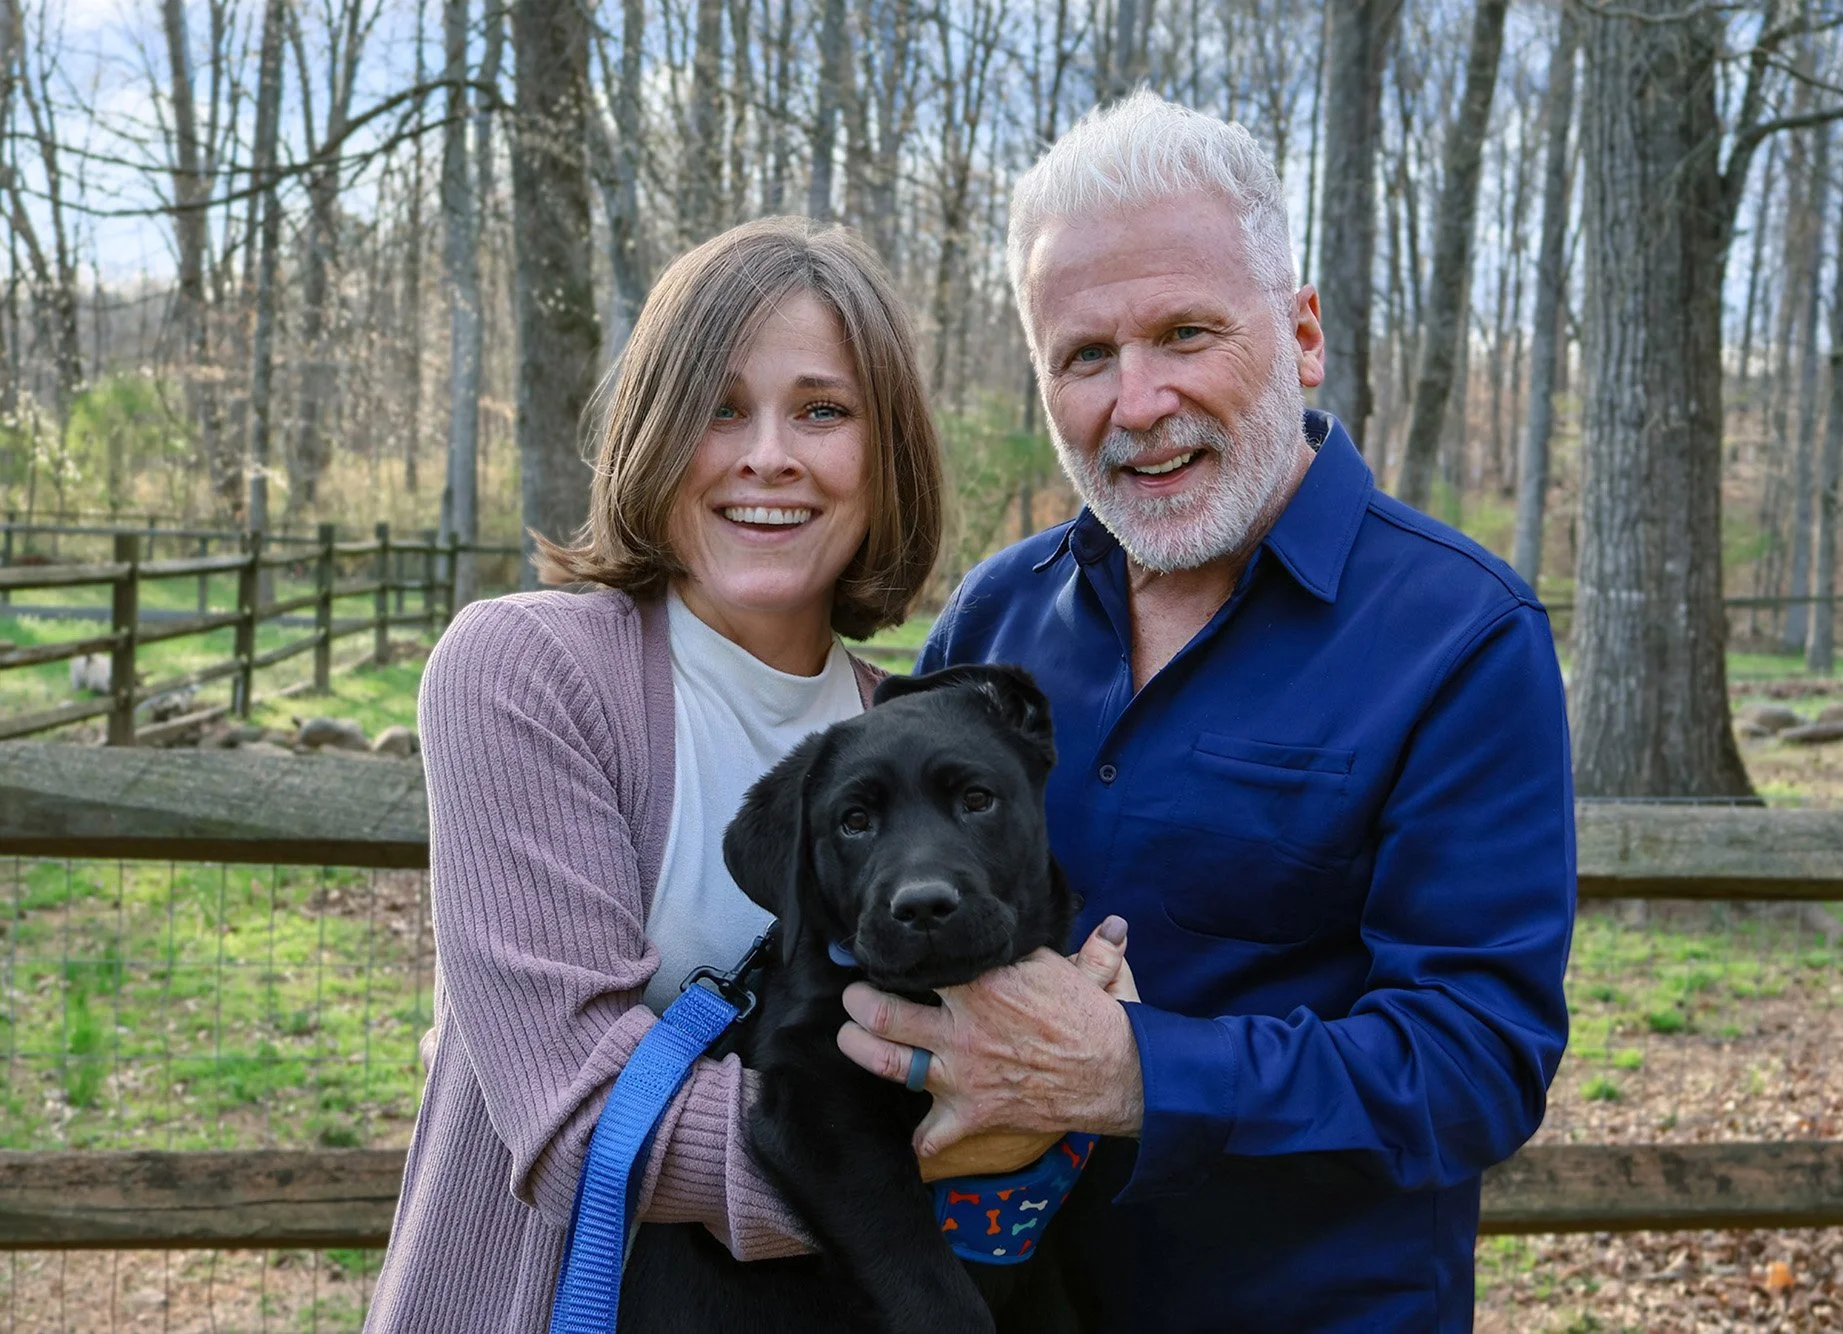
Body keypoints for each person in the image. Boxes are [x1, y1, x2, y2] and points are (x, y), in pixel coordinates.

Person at [835, 93, 1576, 1330]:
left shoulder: (1462, 635)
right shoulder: (993, 616)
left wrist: (1128, 1069)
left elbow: (1474, 1062)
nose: (1136, 402)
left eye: (1184, 332)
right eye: (1084, 356)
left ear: (1298, 335)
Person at [365, 217, 1131, 1332]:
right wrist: (962, 1130)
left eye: (822, 409)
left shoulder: (903, 734)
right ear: (654, 434)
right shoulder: (529, 671)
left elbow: (1011, 1016)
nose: (767, 453)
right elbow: (581, 1120)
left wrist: (1083, 1033)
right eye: (719, 407)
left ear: (884, 456)